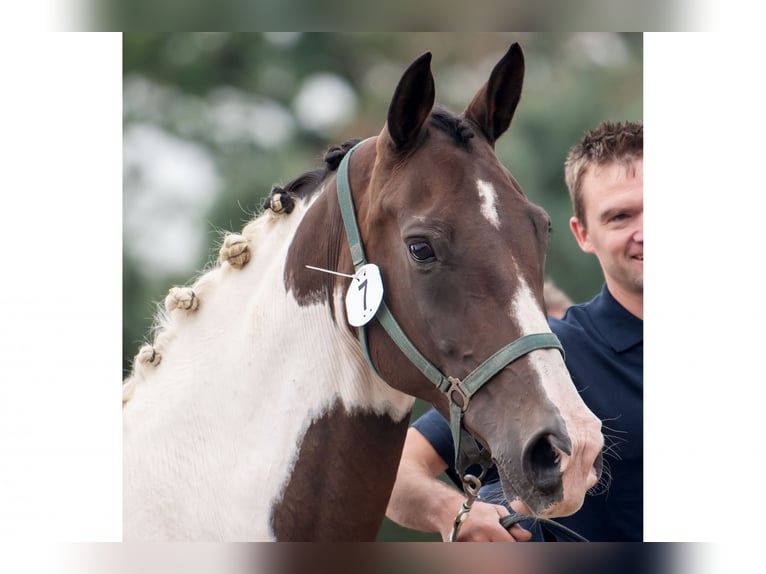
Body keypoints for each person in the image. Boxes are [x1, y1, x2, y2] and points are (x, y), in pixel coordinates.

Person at [385, 120, 643, 542]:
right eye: (620, 217)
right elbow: (398, 473)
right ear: (583, 235)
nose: (645, 232)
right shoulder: (558, 356)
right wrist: (456, 514)